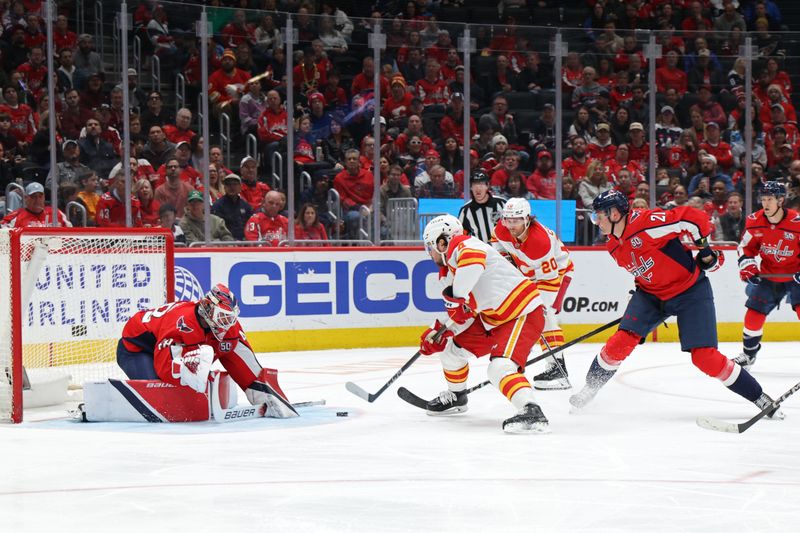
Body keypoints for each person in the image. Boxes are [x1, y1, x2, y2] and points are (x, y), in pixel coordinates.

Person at [568, 190, 785, 421]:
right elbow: (643, 266)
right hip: (651, 295)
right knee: (620, 342)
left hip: (690, 292)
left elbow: (693, 218)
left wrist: (704, 249)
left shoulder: (645, 223)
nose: (596, 221)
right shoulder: (611, 245)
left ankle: (759, 397)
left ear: (614, 213)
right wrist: (642, 283)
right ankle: (589, 390)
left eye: (598, 215)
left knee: (705, 358)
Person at [416, 214, 549, 433]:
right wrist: (439, 333)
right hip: (492, 319)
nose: (429, 253)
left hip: (521, 313)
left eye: (429, 246)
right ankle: (457, 397)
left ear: (441, 242)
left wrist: (456, 299)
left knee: (499, 368)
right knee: (450, 352)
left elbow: (470, 269)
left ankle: (531, 410)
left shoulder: (466, 245)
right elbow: (462, 314)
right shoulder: (449, 272)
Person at [117, 284, 296, 417]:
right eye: (222, 317)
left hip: (168, 345)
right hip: (137, 349)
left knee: (215, 356)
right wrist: (191, 371)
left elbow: (248, 368)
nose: (227, 323)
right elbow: (166, 369)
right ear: (208, 308)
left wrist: (268, 396)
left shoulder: (229, 329)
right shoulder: (182, 323)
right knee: (162, 397)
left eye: (230, 318)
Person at [491, 198, 575, 389]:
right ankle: (520, 355)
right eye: (508, 220)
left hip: (556, 274)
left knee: (545, 317)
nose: (511, 226)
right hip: (530, 273)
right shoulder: (502, 228)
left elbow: (550, 279)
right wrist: (506, 259)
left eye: (516, 220)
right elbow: (496, 241)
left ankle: (558, 370)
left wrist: (540, 304)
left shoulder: (540, 243)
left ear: (527, 219)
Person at [734, 182, 800, 370]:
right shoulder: (754, 220)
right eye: (763, 199)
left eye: (770, 199)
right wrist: (747, 266)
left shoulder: (797, 222)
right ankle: (748, 356)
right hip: (769, 276)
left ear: (780, 200)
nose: (765, 203)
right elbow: (745, 248)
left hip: (796, 277)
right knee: (753, 316)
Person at [458, 171, 505, 243]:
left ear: (487, 186)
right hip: (480, 251)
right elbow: (461, 235)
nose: (478, 188)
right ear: (471, 187)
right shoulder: (465, 210)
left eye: (481, 184)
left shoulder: (501, 203)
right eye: (474, 184)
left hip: (502, 251)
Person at [2, 182, 71, 228]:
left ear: (44, 197)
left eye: (40, 196)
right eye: (33, 197)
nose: (37, 200)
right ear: (26, 198)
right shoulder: (16, 216)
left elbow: (71, 232)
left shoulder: (56, 213)